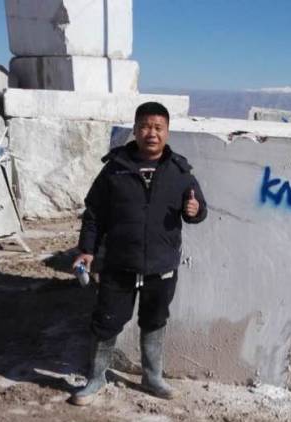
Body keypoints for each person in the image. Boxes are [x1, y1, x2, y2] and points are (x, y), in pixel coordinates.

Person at [70, 101, 207, 406]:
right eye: (145, 126)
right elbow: (94, 214)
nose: (151, 133)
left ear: (167, 132)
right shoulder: (115, 169)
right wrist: (87, 251)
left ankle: (152, 378)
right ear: (135, 130)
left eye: (158, 127)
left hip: (162, 265)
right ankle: (96, 378)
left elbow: (199, 210)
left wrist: (195, 210)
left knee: (155, 321)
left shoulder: (180, 171)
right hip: (119, 263)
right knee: (106, 321)